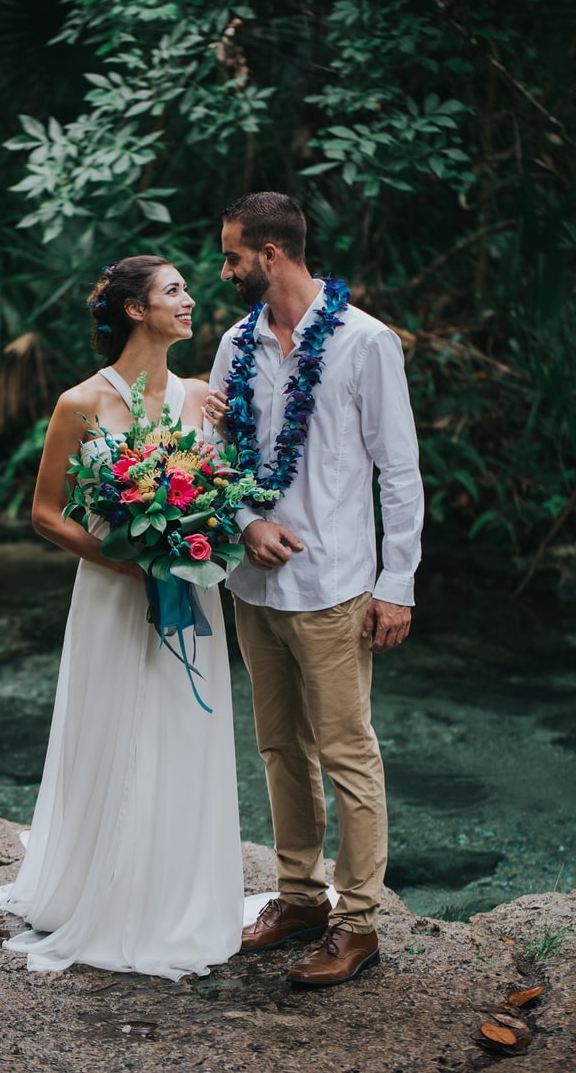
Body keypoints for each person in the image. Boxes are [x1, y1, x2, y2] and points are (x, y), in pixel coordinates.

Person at [0, 255, 244, 979]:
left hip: (188, 590)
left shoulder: (202, 398)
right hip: (112, 591)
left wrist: (204, 528)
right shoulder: (79, 403)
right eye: (173, 290)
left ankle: (178, 894)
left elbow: (221, 491)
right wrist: (123, 559)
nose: (190, 300)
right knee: (111, 727)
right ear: (135, 309)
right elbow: (43, 514)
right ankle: (99, 889)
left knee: (183, 731)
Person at [206, 193, 424, 988]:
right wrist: (244, 521)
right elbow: (214, 453)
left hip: (335, 585)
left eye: (232, 255)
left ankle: (358, 921)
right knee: (278, 747)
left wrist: (394, 585)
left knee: (347, 752)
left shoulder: (365, 343)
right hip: (253, 583)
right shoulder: (236, 344)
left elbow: (399, 472)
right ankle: (298, 896)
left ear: (270, 254)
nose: (224, 270)